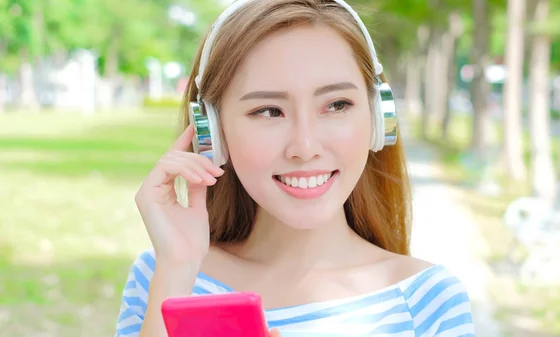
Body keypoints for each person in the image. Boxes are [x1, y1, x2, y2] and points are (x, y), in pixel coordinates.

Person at [115, 0, 475, 336]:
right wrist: (177, 270)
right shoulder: (165, 275)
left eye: (336, 105)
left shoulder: (426, 302)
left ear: (379, 118)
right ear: (214, 131)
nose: (305, 147)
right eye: (269, 111)